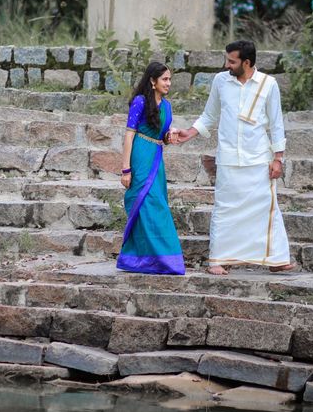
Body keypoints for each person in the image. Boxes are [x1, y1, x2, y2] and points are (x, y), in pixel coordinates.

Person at [171, 40, 296, 275]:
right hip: (228, 158)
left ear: (246, 62)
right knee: (224, 209)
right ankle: (217, 260)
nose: (227, 65)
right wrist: (189, 133)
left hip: (259, 158)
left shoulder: (268, 85)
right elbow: (209, 115)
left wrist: (278, 158)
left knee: (268, 208)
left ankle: (277, 259)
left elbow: (277, 124)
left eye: (232, 61)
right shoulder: (221, 81)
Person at [116, 62, 186, 275]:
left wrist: (169, 136)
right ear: (153, 81)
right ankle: (147, 259)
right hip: (140, 157)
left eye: (170, 79)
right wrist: (126, 169)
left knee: (157, 205)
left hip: (156, 158)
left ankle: (157, 259)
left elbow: (162, 137)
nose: (169, 83)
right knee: (145, 204)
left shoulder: (166, 106)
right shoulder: (140, 102)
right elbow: (129, 135)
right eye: (165, 79)